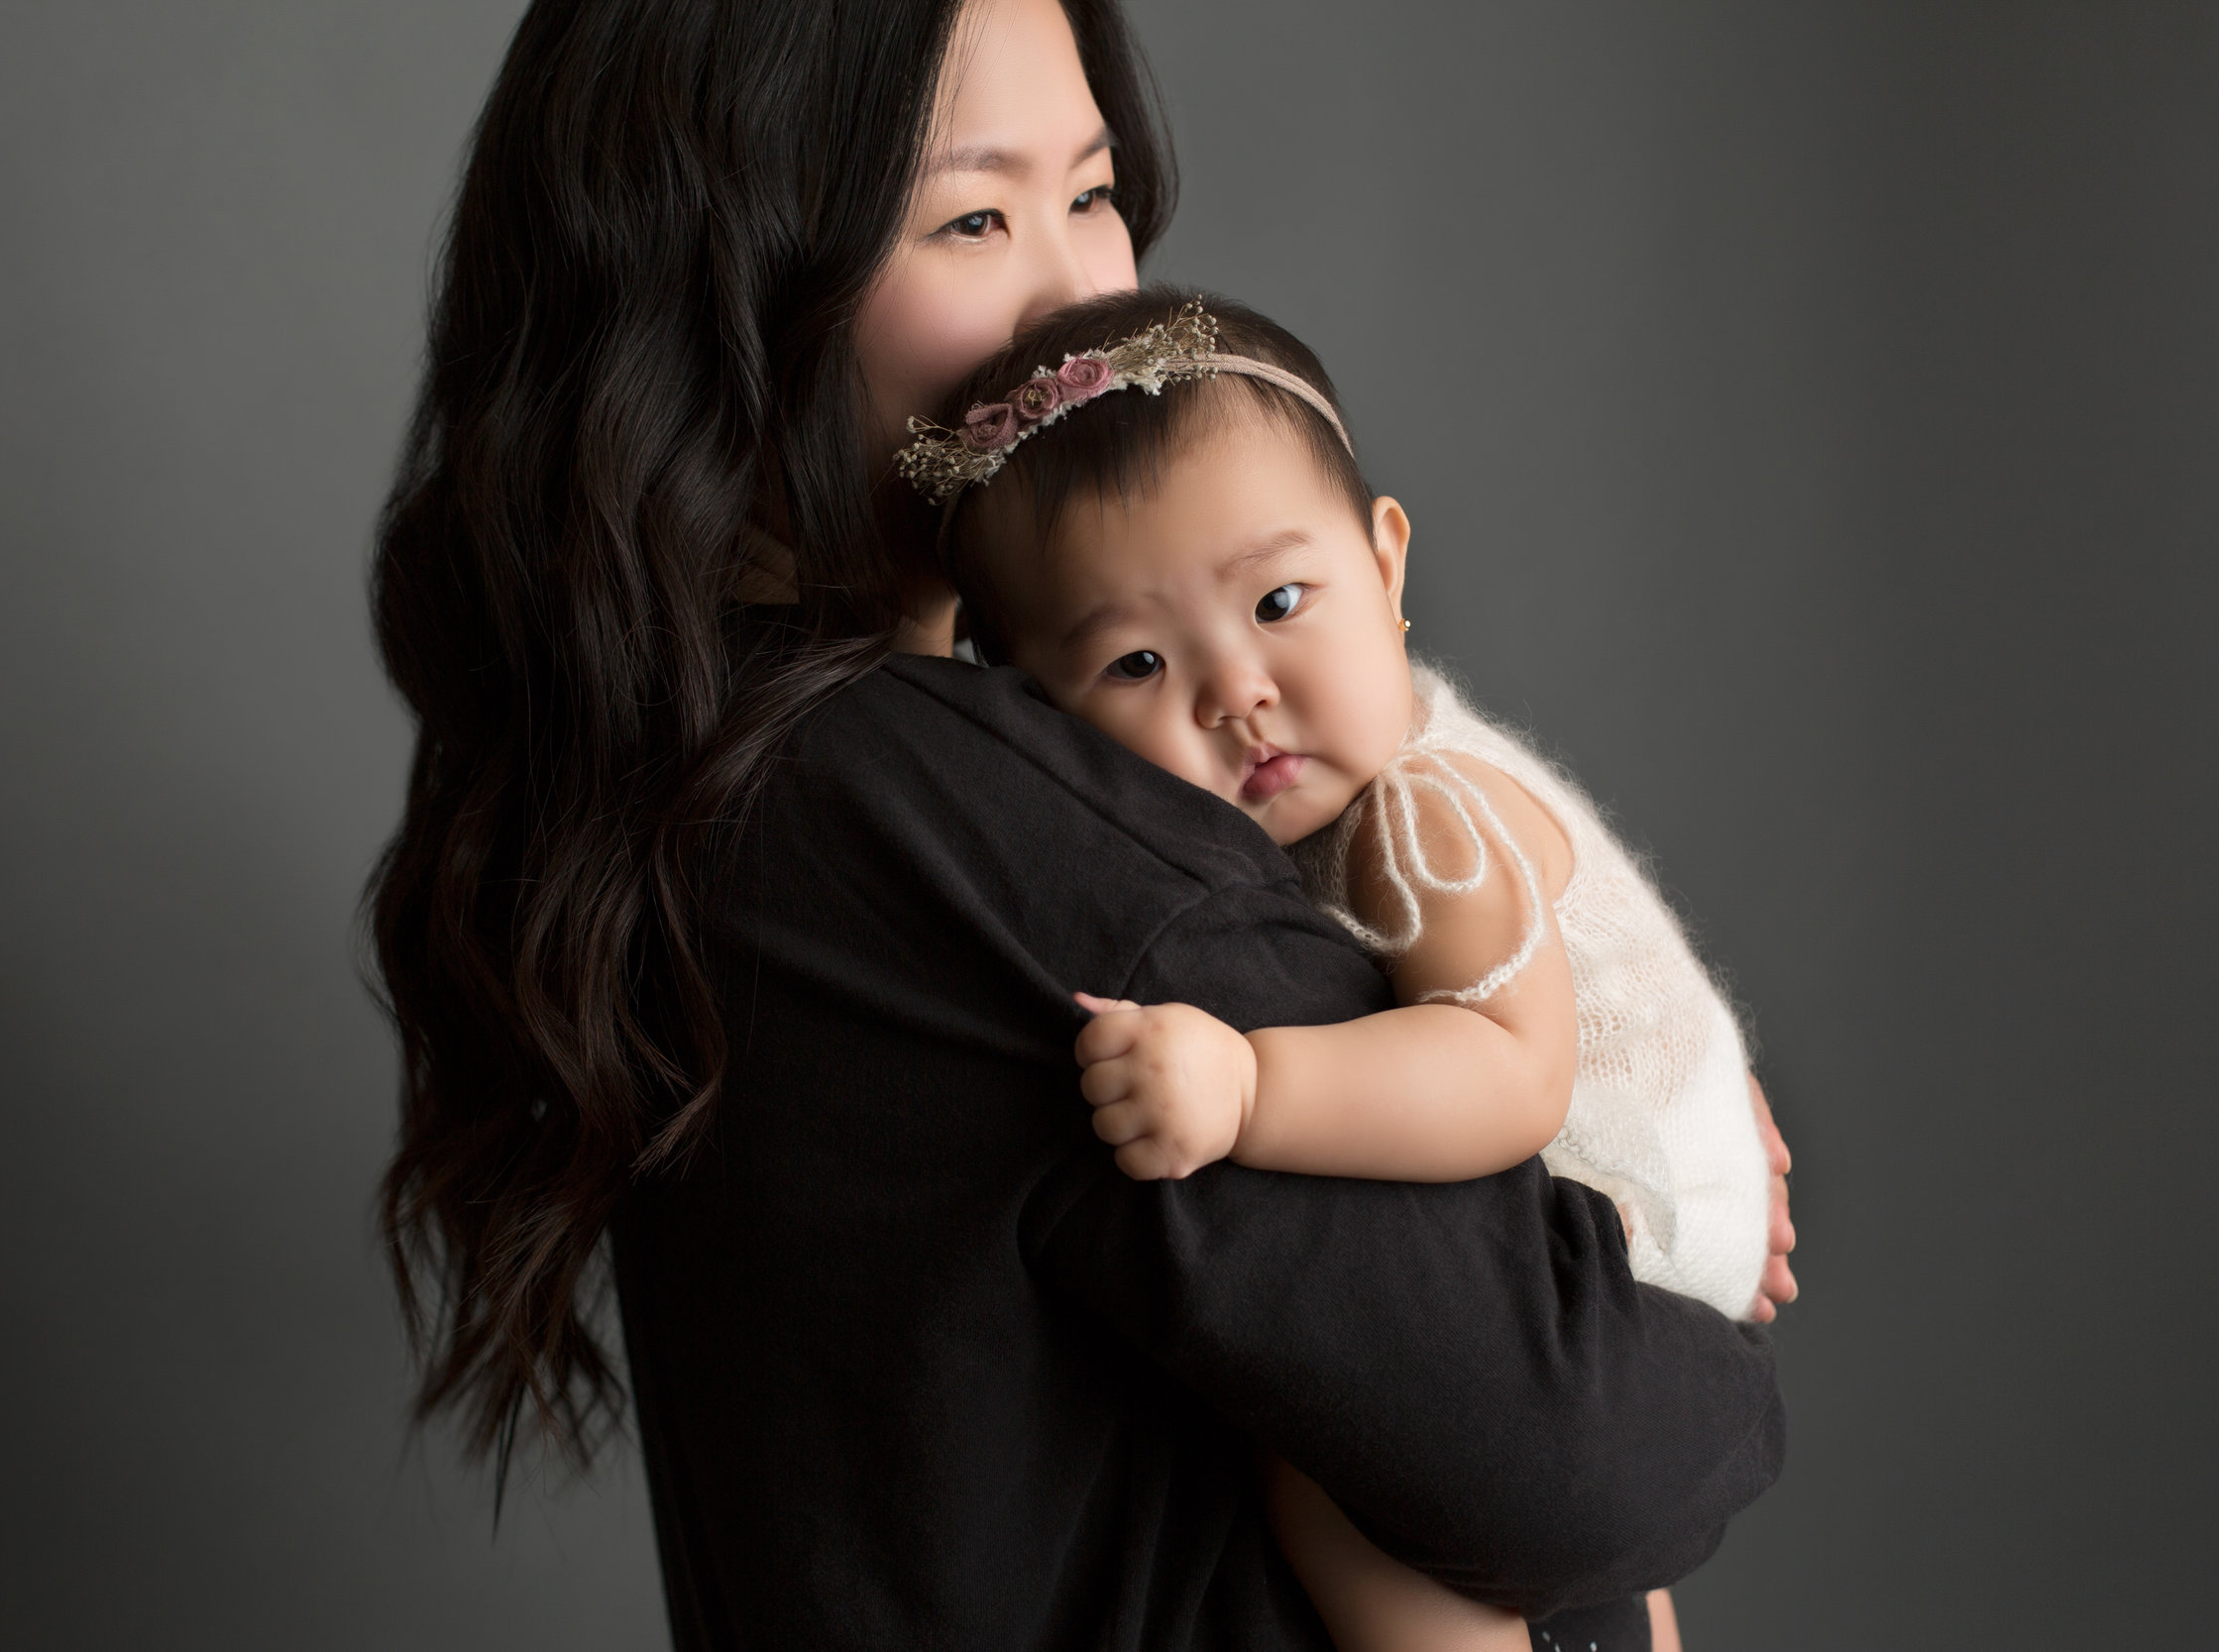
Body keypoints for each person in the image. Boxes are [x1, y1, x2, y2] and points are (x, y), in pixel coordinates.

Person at [366, 2, 1797, 1649]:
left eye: (1096, 194)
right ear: (725, 276)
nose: (1081, 308)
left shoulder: (708, 772)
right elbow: (1578, 1450)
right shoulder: (994, 842)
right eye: (974, 217)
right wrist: (1678, 1246)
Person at [906, 288, 1776, 1650]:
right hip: (1622, 1203)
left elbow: (1509, 1077)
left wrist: (1253, 1083)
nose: (1236, 690)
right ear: (1039, 716)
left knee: (1332, 1459)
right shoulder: (1342, 790)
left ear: (1387, 564)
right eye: (1138, 663)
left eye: (1280, 600)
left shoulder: (1417, 827)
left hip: (1639, 1202)